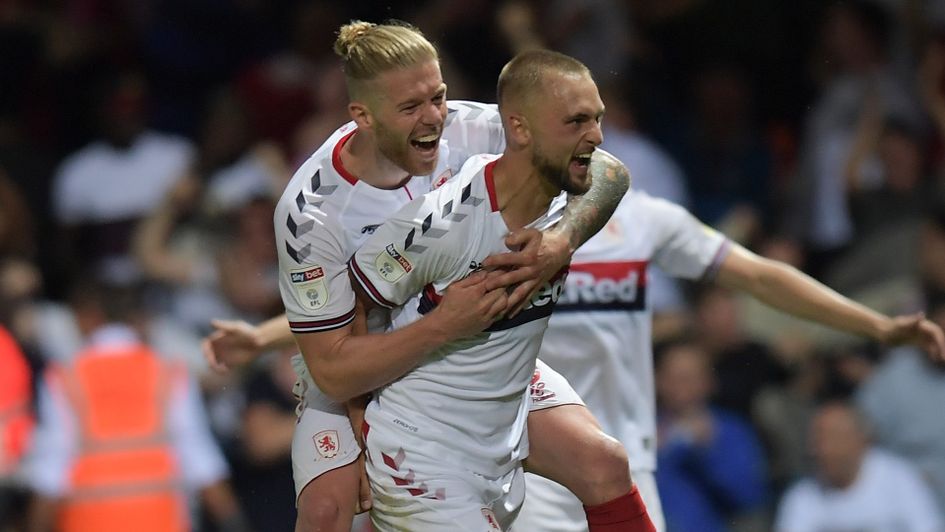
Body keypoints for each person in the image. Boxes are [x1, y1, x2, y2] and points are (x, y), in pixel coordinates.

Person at [263, 20, 637, 532]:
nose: (434, 118)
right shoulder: (311, 215)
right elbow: (330, 368)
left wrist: (562, 239)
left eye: (438, 96)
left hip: (465, 348)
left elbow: (606, 170)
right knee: (327, 512)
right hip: (361, 360)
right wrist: (365, 416)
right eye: (411, 107)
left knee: (602, 463)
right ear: (362, 116)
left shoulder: (473, 125)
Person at [513, 186, 945, 532]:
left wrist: (877, 326)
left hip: (629, 468)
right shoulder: (504, 220)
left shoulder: (643, 218)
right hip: (539, 470)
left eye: (597, 120)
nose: (593, 136)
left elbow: (762, 277)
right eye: (577, 120)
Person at [24, 281, 249, 532]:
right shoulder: (168, 375)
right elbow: (202, 463)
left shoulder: (64, 380)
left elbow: (50, 475)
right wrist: (234, 523)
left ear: (87, 317)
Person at [774, 401, 944, 531]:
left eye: (831, 439)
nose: (820, 450)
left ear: (859, 441)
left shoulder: (901, 481)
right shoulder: (802, 497)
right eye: (817, 441)